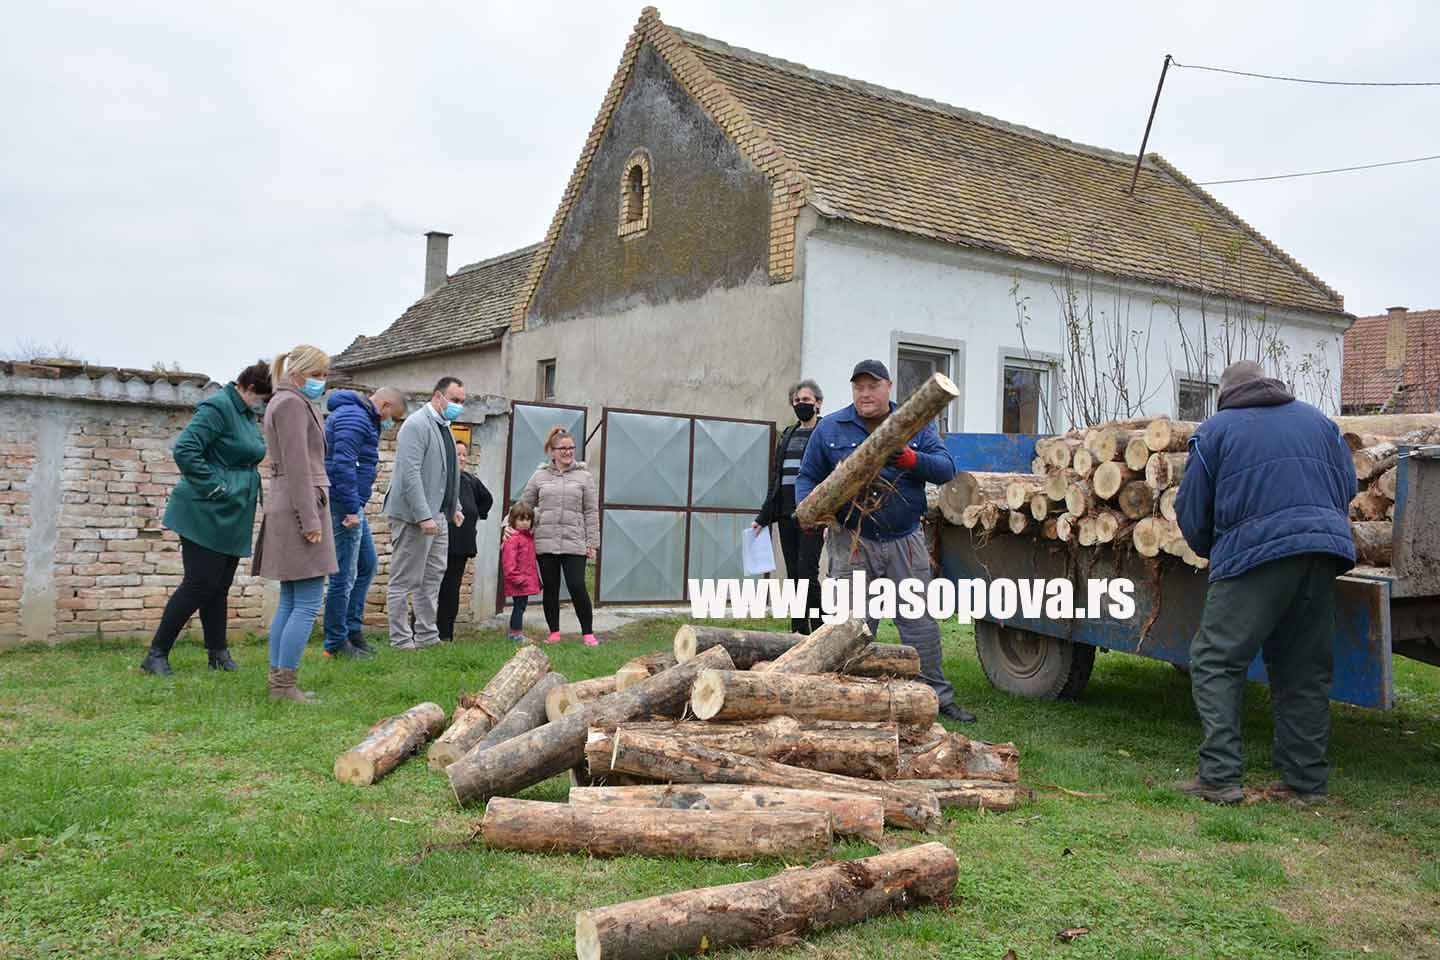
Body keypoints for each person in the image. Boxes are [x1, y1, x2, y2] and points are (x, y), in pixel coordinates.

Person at [1174, 360, 1357, 806]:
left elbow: (1192, 509)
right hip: (1322, 552)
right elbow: (1348, 486)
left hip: (1255, 555)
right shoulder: (1320, 422)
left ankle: (1219, 776)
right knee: (1303, 669)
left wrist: (1213, 550)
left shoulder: (1216, 431)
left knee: (1216, 659)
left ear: (1226, 394)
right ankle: (1305, 784)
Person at [796, 359, 974, 723]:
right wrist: (808, 510)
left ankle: (936, 696)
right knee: (849, 625)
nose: (865, 392)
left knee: (919, 622)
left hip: (904, 541)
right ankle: (845, 693)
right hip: (851, 542)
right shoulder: (830, 427)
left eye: (872, 385)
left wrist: (911, 458)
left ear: (888, 387)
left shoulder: (914, 424)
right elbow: (808, 475)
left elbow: (945, 469)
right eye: (858, 386)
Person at [140, 361, 272, 677]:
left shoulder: (244, 414)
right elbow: (186, 450)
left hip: (232, 511)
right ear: (251, 388)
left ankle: (217, 653)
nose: (265, 405)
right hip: (206, 509)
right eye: (265, 397)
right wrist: (215, 487)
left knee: (219, 585)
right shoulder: (218, 408)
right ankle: (156, 654)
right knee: (199, 584)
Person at [253, 344, 339, 702]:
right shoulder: (290, 403)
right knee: (304, 601)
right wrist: (310, 520)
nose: (322, 382)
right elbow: (298, 466)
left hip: (292, 503)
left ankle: (280, 683)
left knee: (291, 599)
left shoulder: (287, 400)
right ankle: (284, 686)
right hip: (299, 506)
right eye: (318, 375)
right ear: (299, 373)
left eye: (325, 375)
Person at [320, 386, 407, 660]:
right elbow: (342, 464)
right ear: (385, 404)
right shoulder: (355, 418)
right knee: (343, 575)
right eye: (392, 416)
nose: (390, 423)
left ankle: (352, 631)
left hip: (353, 503)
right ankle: (336, 642)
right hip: (343, 504)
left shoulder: (364, 418)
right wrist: (350, 508)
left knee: (367, 564)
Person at [381, 376, 465, 650]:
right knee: (404, 579)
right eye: (454, 400)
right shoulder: (416, 424)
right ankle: (400, 639)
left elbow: (447, 473)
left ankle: (428, 635)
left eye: (462, 402)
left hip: (438, 514)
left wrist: (455, 508)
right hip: (413, 516)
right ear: (437, 396)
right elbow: (410, 473)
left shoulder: (445, 427)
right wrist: (423, 516)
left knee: (432, 578)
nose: (458, 406)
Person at [753, 379, 825, 634]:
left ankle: (819, 628)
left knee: (807, 572)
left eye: (806, 401)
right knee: (794, 573)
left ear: (818, 403)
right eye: (796, 402)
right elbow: (777, 478)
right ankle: (798, 630)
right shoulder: (788, 434)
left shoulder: (825, 433)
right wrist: (763, 517)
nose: (801, 405)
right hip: (786, 514)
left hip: (811, 515)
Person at [517, 427, 599, 645]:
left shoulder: (584, 476)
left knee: (576, 585)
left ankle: (588, 633)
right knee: (551, 587)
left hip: (574, 541)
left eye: (571, 447)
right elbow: (525, 505)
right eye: (562, 448)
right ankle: (554, 632)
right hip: (546, 541)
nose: (568, 452)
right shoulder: (539, 476)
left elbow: (591, 511)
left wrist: (592, 543)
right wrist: (510, 525)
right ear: (552, 451)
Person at [437, 438, 494, 642]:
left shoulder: (470, 480)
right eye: (457, 454)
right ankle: (424, 632)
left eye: (464, 454)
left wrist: (474, 516)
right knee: (431, 588)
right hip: (439, 541)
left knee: (452, 590)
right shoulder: (440, 478)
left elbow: (487, 499)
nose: (461, 458)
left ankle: (446, 634)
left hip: (461, 545)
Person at [500, 502, 541, 643]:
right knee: (519, 607)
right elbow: (508, 564)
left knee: (521, 607)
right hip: (519, 581)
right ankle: (515, 634)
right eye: (521, 519)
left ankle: (516, 633)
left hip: (524, 581)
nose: (525, 523)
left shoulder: (527, 538)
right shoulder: (513, 540)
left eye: (528, 519)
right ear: (513, 520)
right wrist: (519, 580)